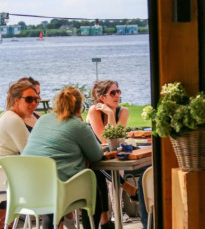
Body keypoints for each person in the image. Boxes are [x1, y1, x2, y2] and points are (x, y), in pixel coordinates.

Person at [22, 87, 104, 229]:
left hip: (27, 186)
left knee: (51, 180)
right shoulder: (78, 126)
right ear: (79, 108)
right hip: (58, 189)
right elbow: (96, 155)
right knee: (93, 185)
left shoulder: (42, 120)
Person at [86, 80, 136, 225]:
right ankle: (124, 197)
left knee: (117, 164)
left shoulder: (123, 111)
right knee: (107, 168)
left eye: (118, 91)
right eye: (113, 93)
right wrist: (108, 114)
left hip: (111, 154)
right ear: (103, 98)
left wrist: (111, 114)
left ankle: (118, 212)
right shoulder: (94, 111)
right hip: (94, 157)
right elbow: (104, 139)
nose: (117, 95)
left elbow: (116, 138)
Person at [0, 80, 39, 156]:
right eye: (29, 99)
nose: (34, 103)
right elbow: (30, 152)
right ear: (16, 100)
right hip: (7, 166)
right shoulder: (13, 119)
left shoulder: (8, 115)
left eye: (36, 99)